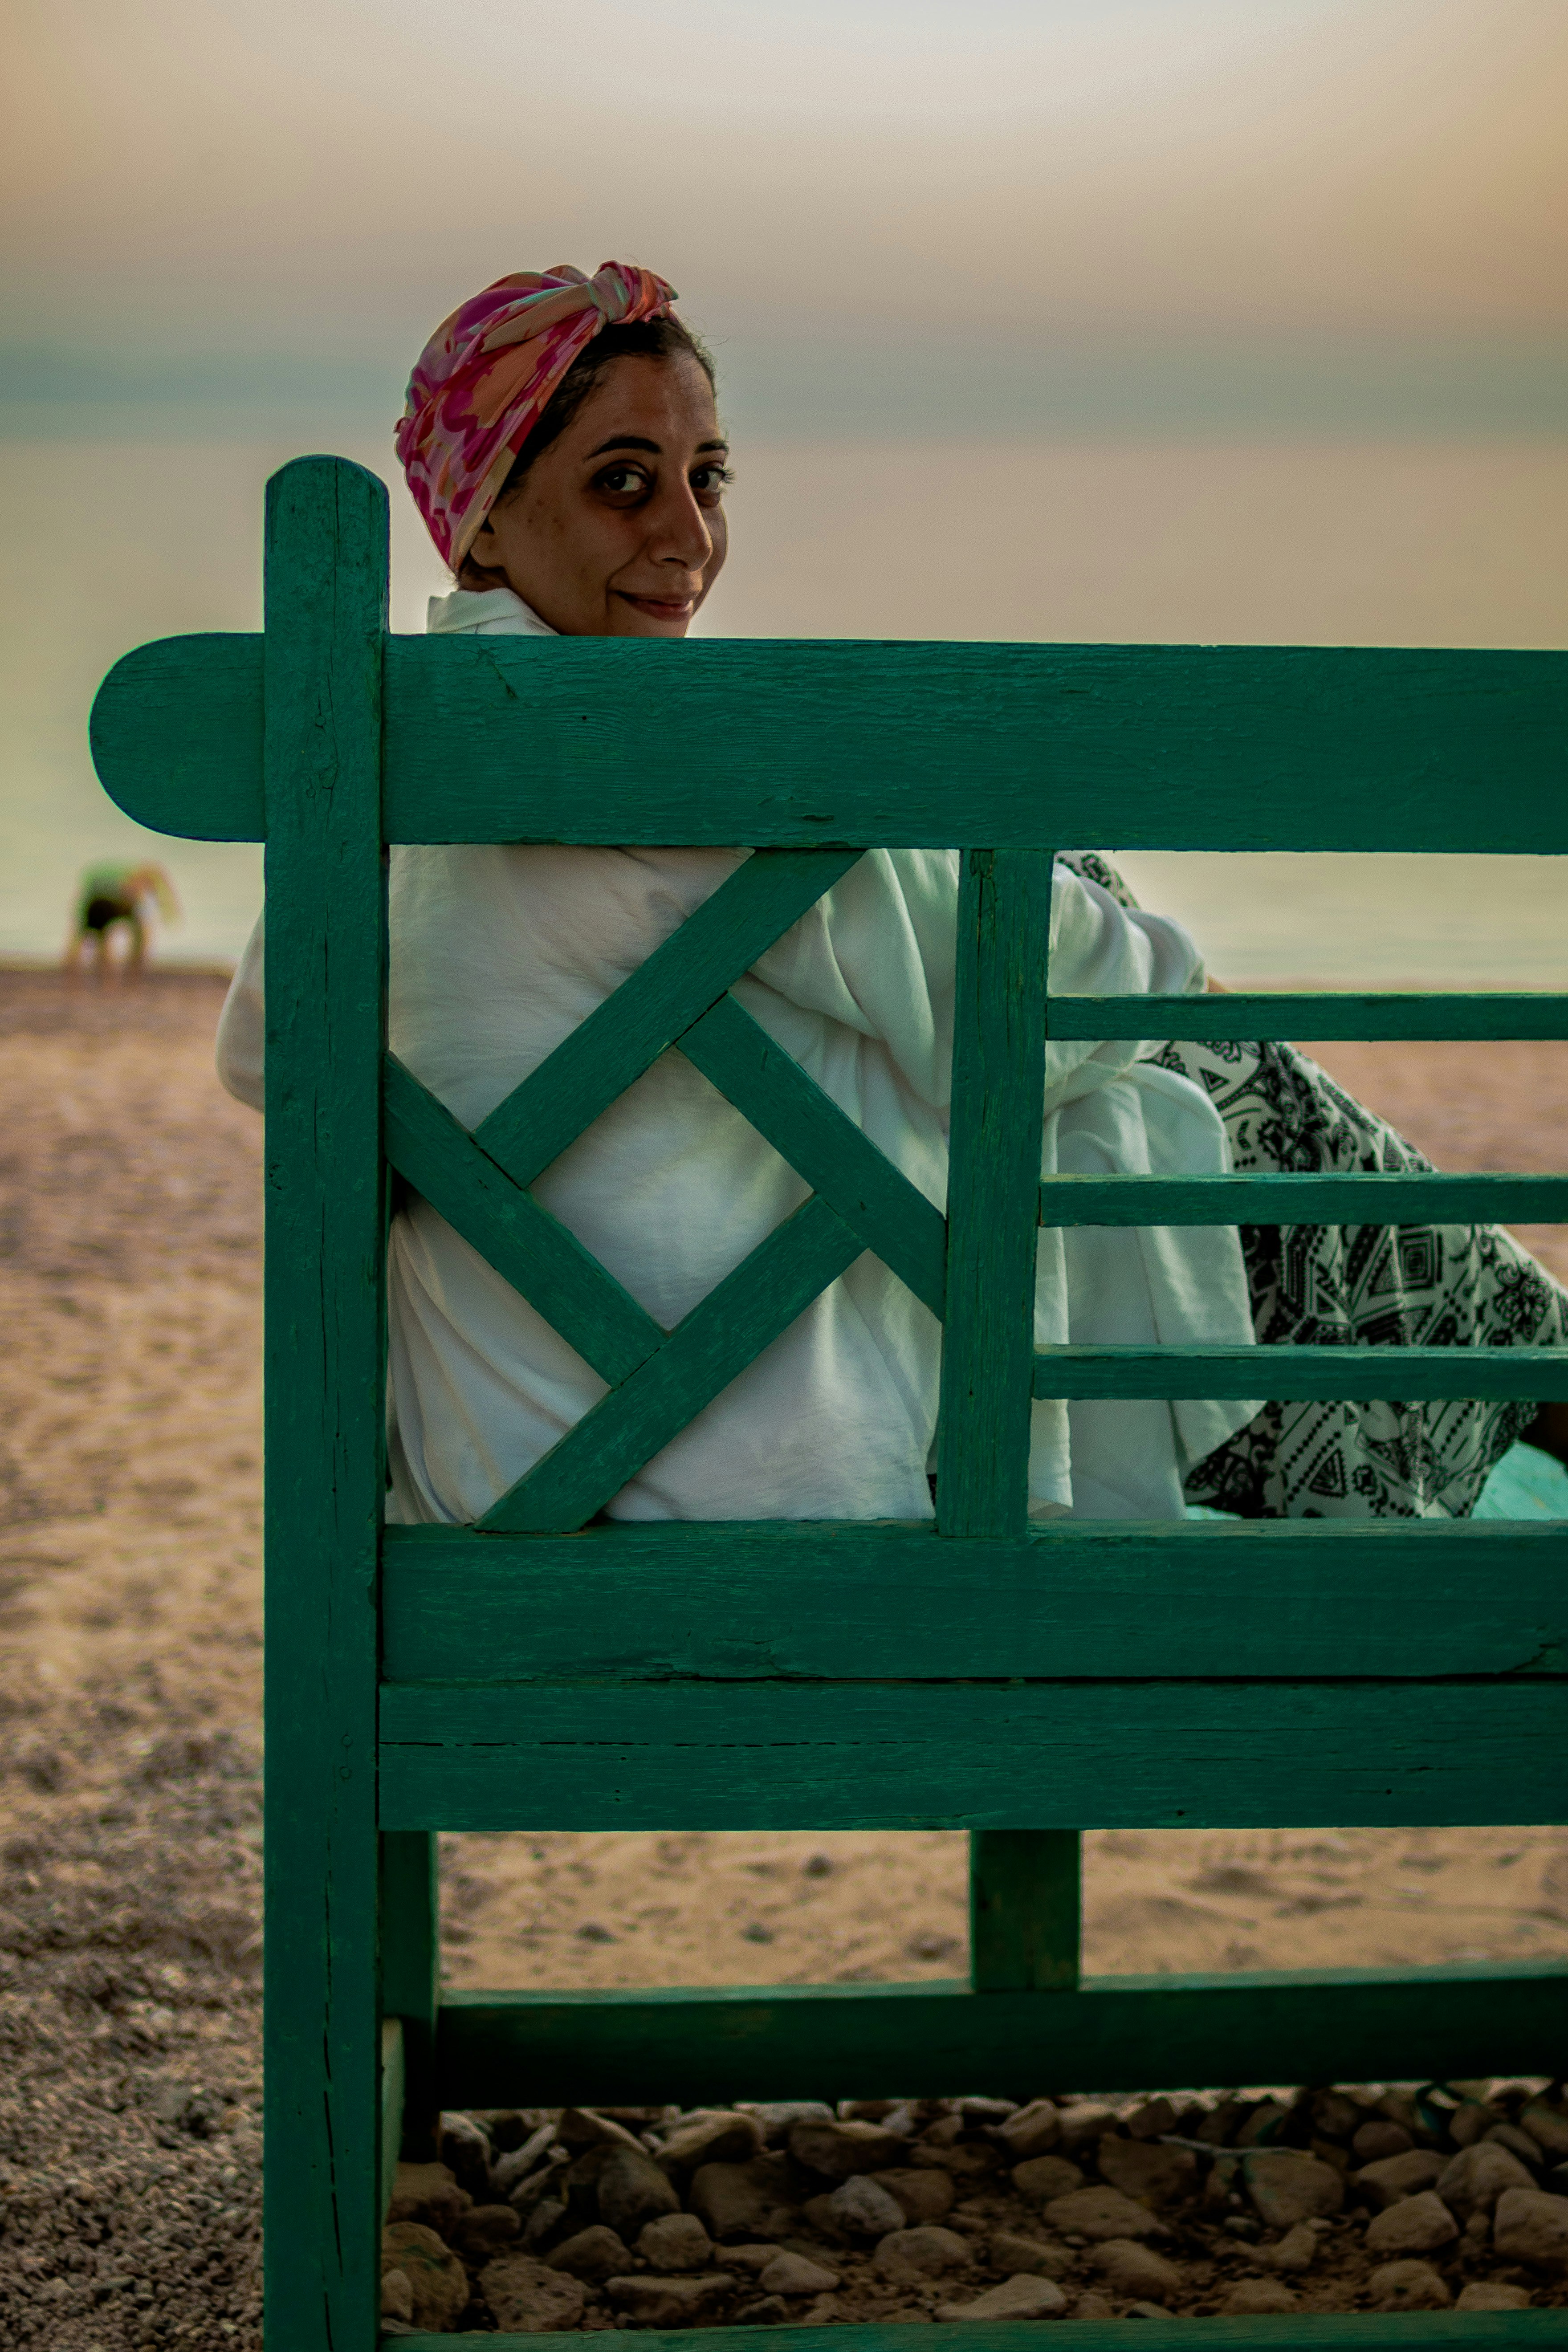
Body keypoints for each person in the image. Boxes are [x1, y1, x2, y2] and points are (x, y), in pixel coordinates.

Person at [216, 261, 1567, 1524]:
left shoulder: (384, 765)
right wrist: (1119, 940)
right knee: (1165, 1046)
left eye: (707, 475)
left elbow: (262, 1048)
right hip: (753, 1468)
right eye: (624, 482)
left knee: (1049, 1021)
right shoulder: (666, 752)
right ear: (488, 519)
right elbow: (1077, 1008)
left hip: (495, 1472)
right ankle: (1535, 1390)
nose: (687, 534)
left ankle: (1533, 1387)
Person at [63, 860, 179, 975]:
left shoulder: (133, 879)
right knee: (99, 939)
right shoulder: (125, 882)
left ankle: (129, 975)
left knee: (136, 935)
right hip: (102, 902)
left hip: (108, 901)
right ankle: (105, 977)